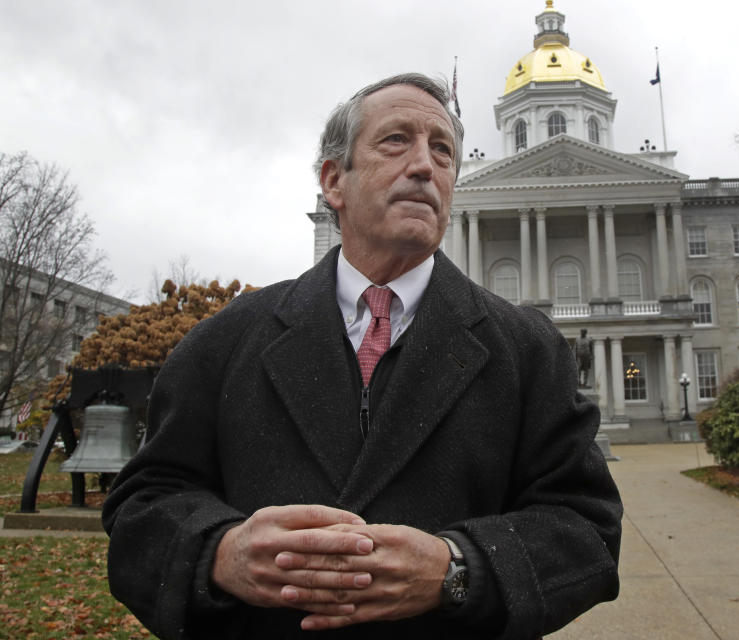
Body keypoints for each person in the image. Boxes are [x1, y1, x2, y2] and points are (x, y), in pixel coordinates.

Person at [103, 73, 622, 639]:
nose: (425, 165)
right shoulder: (228, 339)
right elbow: (144, 506)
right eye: (396, 140)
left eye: (443, 149)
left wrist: (460, 568)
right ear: (333, 181)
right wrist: (218, 554)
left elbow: (587, 529)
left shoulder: (528, 349)